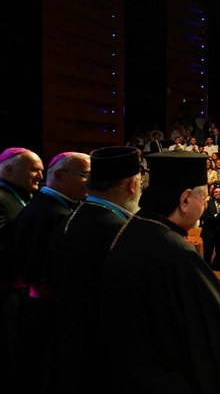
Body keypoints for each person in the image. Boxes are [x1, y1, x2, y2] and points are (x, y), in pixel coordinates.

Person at [99, 151, 220, 393]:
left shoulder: (131, 229)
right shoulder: (175, 251)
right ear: (185, 199)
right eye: (204, 197)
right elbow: (218, 334)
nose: (205, 204)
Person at [51, 146, 142, 392]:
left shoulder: (70, 216)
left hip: (68, 340)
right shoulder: (123, 230)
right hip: (110, 351)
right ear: (132, 185)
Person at [12, 151, 90, 392]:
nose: (90, 181)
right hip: (46, 310)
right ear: (59, 175)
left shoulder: (44, 206)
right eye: (85, 175)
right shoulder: (54, 214)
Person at [0, 147, 44, 391]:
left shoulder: (23, 195)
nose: (40, 174)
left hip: (19, 290)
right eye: (34, 169)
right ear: (9, 169)